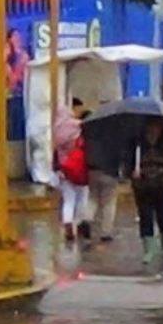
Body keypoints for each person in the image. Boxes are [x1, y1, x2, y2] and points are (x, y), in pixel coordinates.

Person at [128, 120, 163, 274]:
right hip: (143, 186)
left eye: (155, 126)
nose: (152, 130)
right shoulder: (137, 143)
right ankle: (148, 248)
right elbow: (129, 161)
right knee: (145, 216)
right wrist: (132, 174)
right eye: (149, 127)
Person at [80, 107, 126, 244]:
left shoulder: (90, 132)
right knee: (109, 202)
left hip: (92, 169)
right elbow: (121, 154)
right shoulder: (115, 136)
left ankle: (87, 219)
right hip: (110, 171)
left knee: (92, 197)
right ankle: (106, 232)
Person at [53, 98, 89, 242]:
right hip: (79, 166)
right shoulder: (77, 127)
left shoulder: (57, 129)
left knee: (68, 199)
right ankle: (79, 223)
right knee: (82, 196)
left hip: (64, 168)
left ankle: (67, 222)